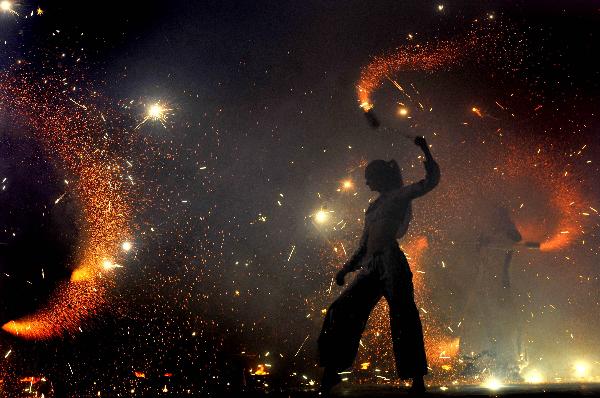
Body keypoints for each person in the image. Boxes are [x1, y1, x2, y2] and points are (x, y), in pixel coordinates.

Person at [318, 136, 440, 394]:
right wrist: (346, 268)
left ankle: (417, 378)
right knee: (342, 310)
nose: (365, 181)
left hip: (391, 263)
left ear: (381, 177)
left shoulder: (399, 196)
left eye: (369, 176)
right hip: (371, 266)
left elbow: (430, 182)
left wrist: (426, 151)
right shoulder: (372, 209)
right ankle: (333, 371)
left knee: (403, 316)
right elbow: (364, 245)